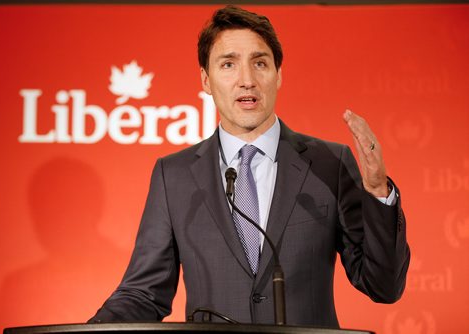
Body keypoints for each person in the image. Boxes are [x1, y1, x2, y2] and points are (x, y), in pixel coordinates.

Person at [89, 5, 410, 328]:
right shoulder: (173, 176)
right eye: (228, 64)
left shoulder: (329, 163)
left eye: (260, 63)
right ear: (206, 80)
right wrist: (91, 329)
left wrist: (379, 192)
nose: (247, 80)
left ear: (278, 75)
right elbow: (144, 293)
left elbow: (383, 286)